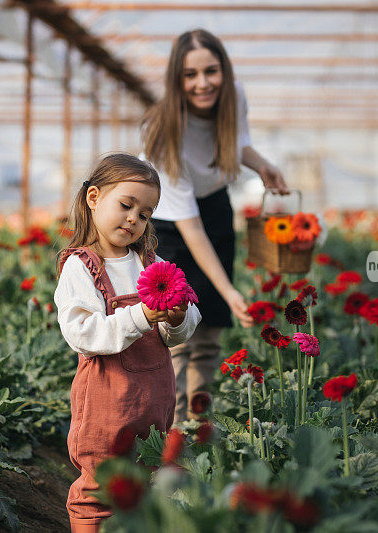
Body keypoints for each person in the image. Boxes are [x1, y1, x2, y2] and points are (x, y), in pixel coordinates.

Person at [142, 29, 288, 423]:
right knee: (175, 334)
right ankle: (170, 438)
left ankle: (199, 424)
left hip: (215, 207)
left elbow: (234, 141)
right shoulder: (163, 134)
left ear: (224, 70)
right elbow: (190, 228)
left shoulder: (234, 95)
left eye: (211, 71)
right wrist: (228, 289)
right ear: (177, 79)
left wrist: (262, 165)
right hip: (170, 224)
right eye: (190, 75)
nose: (203, 83)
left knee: (208, 334)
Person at [54, 153, 201, 532]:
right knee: (100, 487)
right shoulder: (81, 266)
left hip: (154, 398)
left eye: (146, 213)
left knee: (148, 479)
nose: (134, 218)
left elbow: (181, 329)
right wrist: (141, 316)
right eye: (126, 205)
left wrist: (178, 318)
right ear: (93, 199)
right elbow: (83, 334)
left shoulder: (150, 263)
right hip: (107, 402)